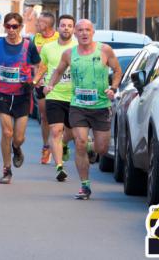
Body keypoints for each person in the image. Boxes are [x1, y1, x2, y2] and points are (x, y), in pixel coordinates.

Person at [45, 19, 122, 199]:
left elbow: (117, 70)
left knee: (102, 149)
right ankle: (85, 185)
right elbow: (58, 71)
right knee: (79, 142)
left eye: (87, 30)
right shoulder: (69, 54)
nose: (84, 33)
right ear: (75, 33)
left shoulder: (104, 50)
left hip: (101, 106)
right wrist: (50, 85)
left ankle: (91, 147)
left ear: (93, 32)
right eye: (80, 30)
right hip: (78, 105)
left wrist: (113, 88)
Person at [0, 13, 40, 184]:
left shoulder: (28, 45)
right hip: (3, 93)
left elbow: (40, 65)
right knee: (6, 132)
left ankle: (16, 148)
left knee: (18, 137)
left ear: (21, 27)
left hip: (22, 95)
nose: (11, 30)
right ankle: (6, 169)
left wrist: (34, 81)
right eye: (8, 26)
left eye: (14, 26)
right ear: (4, 27)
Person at [32, 14, 77, 182]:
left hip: (74, 95)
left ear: (73, 29)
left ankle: (64, 144)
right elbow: (42, 66)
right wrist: (37, 81)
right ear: (58, 28)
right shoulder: (48, 48)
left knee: (71, 132)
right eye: (63, 25)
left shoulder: (79, 47)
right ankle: (59, 167)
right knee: (56, 130)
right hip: (54, 94)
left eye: (69, 25)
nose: (66, 28)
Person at [33, 12, 60, 165]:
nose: (37, 23)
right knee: (44, 116)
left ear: (47, 25)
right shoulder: (35, 37)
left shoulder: (58, 37)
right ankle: (46, 146)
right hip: (41, 82)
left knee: (60, 119)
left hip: (58, 83)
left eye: (40, 22)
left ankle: (57, 143)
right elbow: (33, 60)